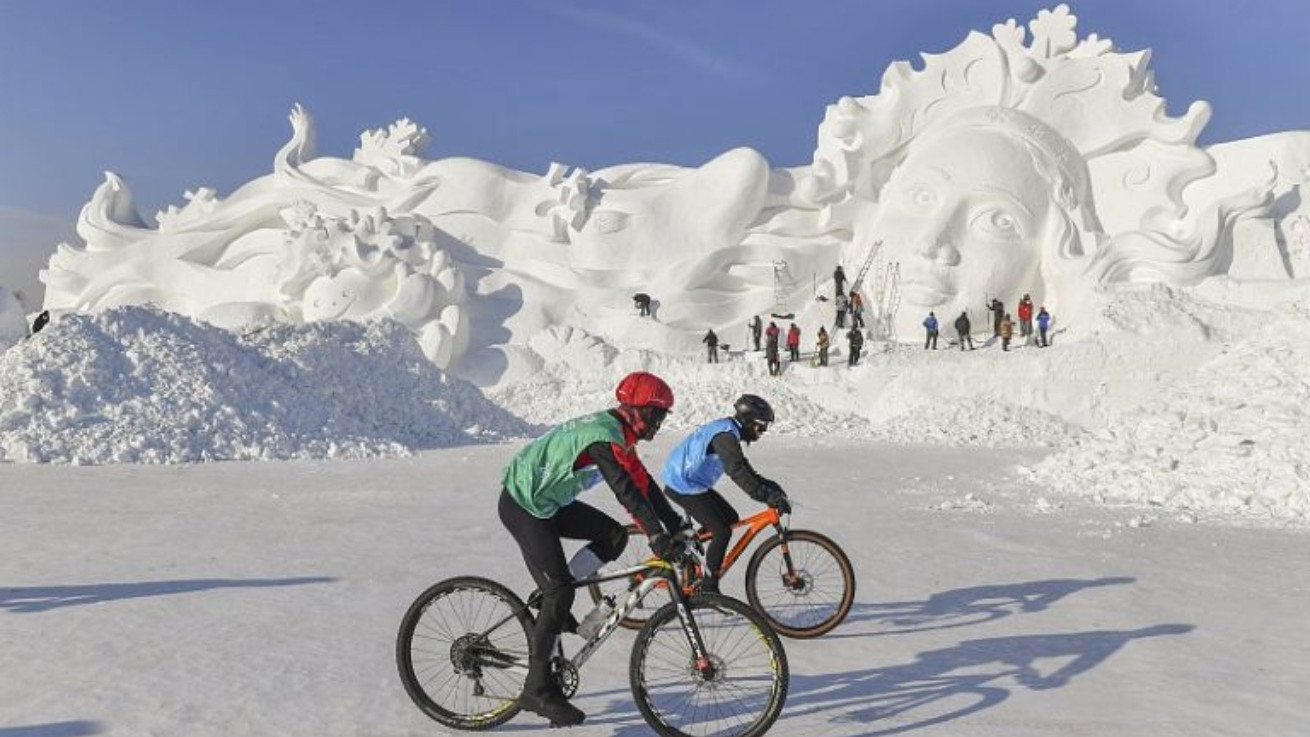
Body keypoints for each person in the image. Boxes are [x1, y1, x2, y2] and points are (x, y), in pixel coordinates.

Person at [498, 371, 689, 726]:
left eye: (663, 416)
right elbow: (624, 490)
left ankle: (551, 592)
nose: (659, 423)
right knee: (560, 592)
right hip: (523, 504)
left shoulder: (619, 434)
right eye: (656, 414)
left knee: (613, 537)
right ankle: (536, 689)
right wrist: (656, 536)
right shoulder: (604, 438)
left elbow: (643, 484)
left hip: (548, 503)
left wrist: (675, 524)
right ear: (637, 410)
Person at [662, 395, 792, 594]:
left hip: (694, 483)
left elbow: (744, 468)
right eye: (761, 426)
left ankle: (685, 549)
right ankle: (709, 587)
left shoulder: (729, 431)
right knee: (722, 531)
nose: (763, 431)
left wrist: (770, 486)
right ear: (749, 421)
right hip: (682, 483)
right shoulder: (725, 436)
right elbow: (737, 471)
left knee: (730, 518)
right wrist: (766, 496)